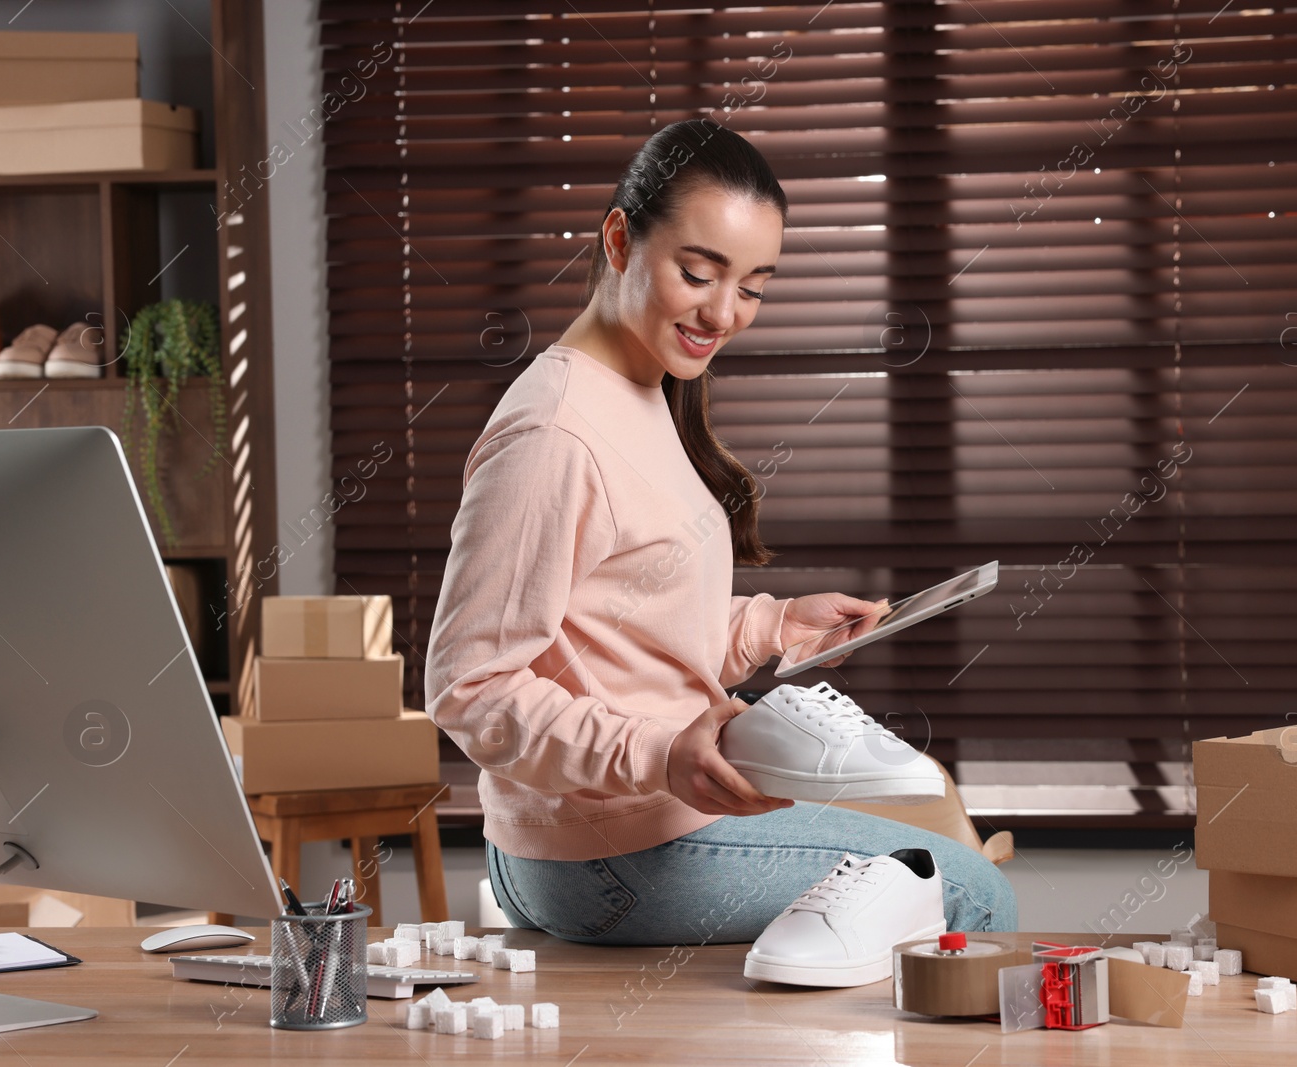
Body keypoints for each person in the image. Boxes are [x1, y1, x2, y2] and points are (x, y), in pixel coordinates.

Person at [426, 118, 1018, 945]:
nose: (725, 312)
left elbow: (622, 627)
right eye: (698, 273)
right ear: (619, 239)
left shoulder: (641, 389)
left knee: (931, 815)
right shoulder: (555, 431)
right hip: (615, 854)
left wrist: (776, 626)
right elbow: (469, 685)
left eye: (753, 286)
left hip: (628, 839)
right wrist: (658, 755)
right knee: (978, 895)